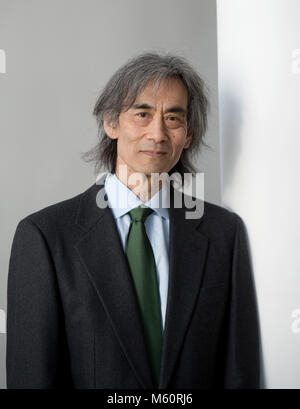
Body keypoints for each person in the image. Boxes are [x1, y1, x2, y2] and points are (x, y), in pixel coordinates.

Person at [6, 52, 260, 389]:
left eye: (173, 118)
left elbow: (239, 374)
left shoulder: (224, 233)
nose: (157, 133)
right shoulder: (45, 237)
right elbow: (32, 377)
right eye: (142, 114)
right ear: (111, 123)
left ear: (187, 135)